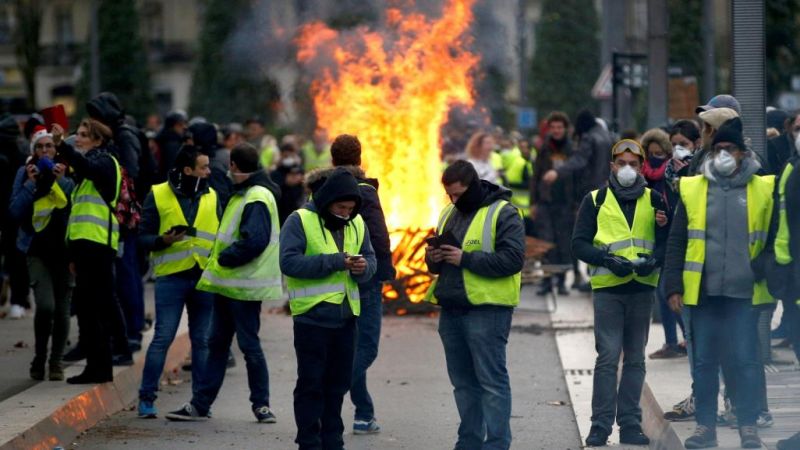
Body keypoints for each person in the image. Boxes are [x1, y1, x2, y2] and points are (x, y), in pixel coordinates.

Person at [663, 117, 774, 449]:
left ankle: (748, 427)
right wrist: (672, 286)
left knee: (746, 361)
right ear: (710, 154)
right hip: (705, 294)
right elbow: (677, 240)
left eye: (730, 149)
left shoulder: (762, 188)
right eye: (719, 149)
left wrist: (763, 267)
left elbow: (772, 237)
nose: (724, 154)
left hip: (745, 293)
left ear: (742, 153)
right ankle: (705, 428)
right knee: (705, 364)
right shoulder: (694, 188)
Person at [166, 143, 282, 423]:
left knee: (247, 346)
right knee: (218, 345)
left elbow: (254, 239)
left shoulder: (255, 196)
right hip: (229, 286)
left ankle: (260, 405)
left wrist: (226, 259)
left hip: (242, 286)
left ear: (233, 166)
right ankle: (201, 405)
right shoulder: (246, 193)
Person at [572, 139, 668, 447]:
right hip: (608, 290)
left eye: (633, 164)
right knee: (608, 357)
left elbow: (668, 243)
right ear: (612, 165)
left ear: (641, 167)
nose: (627, 169)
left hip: (641, 289)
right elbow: (579, 243)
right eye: (621, 163)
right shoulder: (595, 200)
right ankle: (600, 426)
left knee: (636, 359)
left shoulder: (655, 201)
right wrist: (605, 259)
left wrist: (654, 260)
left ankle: (629, 425)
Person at [424, 160, 525, 450]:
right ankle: (468, 442)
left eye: (459, 194)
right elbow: (434, 266)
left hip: (488, 309)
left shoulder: (503, 213)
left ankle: (496, 445)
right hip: (452, 308)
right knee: (464, 385)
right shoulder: (448, 213)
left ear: (474, 185)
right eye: (449, 195)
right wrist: (434, 256)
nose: (454, 200)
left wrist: (465, 259)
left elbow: (513, 260)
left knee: (491, 383)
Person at [280, 167, 377, 450]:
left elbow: (371, 260)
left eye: (350, 208)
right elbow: (289, 263)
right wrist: (335, 261)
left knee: (338, 386)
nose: (346, 213)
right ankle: (309, 441)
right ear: (327, 201)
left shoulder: (357, 223)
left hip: (347, 318)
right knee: (311, 384)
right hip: (312, 318)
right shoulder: (299, 220)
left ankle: (333, 440)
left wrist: (363, 268)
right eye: (341, 207)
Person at [136, 145, 220, 418]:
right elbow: (142, 237)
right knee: (163, 338)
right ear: (188, 170)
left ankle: (200, 403)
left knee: (202, 341)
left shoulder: (212, 195)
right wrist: (163, 240)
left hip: (203, 278)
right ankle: (146, 399)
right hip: (171, 278)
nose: (209, 171)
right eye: (204, 167)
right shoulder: (158, 193)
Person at [328, 134, 396, 435]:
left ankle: (364, 413)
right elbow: (379, 235)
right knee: (365, 347)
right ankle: (330, 397)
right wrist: (384, 270)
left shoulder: (320, 191)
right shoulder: (364, 191)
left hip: (330, 278)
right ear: (360, 159)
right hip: (362, 276)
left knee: (349, 346)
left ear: (332, 160)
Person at [55, 118, 123, 384]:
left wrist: (62, 144)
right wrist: (72, 253)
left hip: (97, 247)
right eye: (78, 134)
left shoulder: (105, 162)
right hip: (85, 247)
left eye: (84, 135)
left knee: (95, 309)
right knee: (86, 309)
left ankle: (101, 367)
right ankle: (96, 367)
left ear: (98, 140)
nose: (78, 138)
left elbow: (85, 165)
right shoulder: (88, 171)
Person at [8, 126, 74, 380]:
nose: (45, 151)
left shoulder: (67, 171)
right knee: (45, 307)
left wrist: (62, 180)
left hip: (66, 252)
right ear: (33, 151)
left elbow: (75, 204)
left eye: (49, 146)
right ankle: (39, 356)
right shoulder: (24, 173)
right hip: (35, 250)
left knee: (62, 310)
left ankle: (56, 362)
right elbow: (14, 212)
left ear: (56, 149)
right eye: (40, 147)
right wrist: (30, 184)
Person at [531, 111, 575, 295]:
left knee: (564, 243)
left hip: (565, 203)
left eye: (559, 127)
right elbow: (535, 176)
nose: (556, 131)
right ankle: (547, 280)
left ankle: (562, 280)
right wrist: (533, 202)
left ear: (565, 129)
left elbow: (577, 177)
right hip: (545, 203)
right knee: (545, 243)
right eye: (553, 127)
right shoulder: (544, 149)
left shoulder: (572, 149)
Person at [541, 109, 612, 200]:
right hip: (604, 187)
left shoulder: (589, 138)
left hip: (590, 188)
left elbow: (579, 159)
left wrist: (557, 171)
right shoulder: (606, 137)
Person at [0, 115, 30, 319]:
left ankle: (18, 299)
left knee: (15, 256)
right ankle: (18, 300)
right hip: (15, 213)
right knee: (17, 257)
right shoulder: (22, 153)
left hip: (13, 213)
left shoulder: (17, 155)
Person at [270, 143, 306, 225]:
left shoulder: (299, 170)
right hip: (280, 212)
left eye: (291, 156)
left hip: (295, 210)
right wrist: (285, 182)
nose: (289, 159)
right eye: (286, 156)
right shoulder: (276, 172)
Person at [155, 110, 188, 182]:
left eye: (184, 124)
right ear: (171, 126)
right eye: (180, 125)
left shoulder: (166, 139)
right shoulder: (171, 144)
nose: (184, 127)